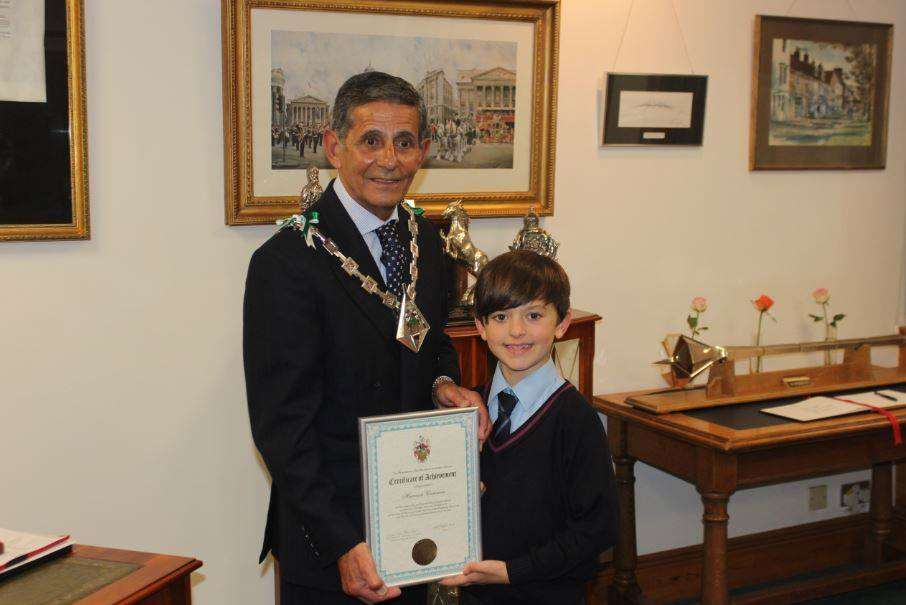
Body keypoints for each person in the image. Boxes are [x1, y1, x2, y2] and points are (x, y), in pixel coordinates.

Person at [244, 71, 490, 605]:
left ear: (423, 150)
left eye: (405, 143)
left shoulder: (429, 242)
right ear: (334, 146)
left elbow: (431, 344)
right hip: (333, 537)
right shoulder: (285, 262)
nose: (389, 159)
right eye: (370, 141)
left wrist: (446, 383)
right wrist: (342, 542)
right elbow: (282, 427)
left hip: (415, 520)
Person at [441, 250, 619, 605]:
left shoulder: (575, 418)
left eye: (533, 315)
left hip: (547, 595)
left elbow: (598, 529)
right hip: (473, 595)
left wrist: (512, 572)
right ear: (480, 326)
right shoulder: (466, 412)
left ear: (562, 323)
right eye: (501, 316)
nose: (517, 330)